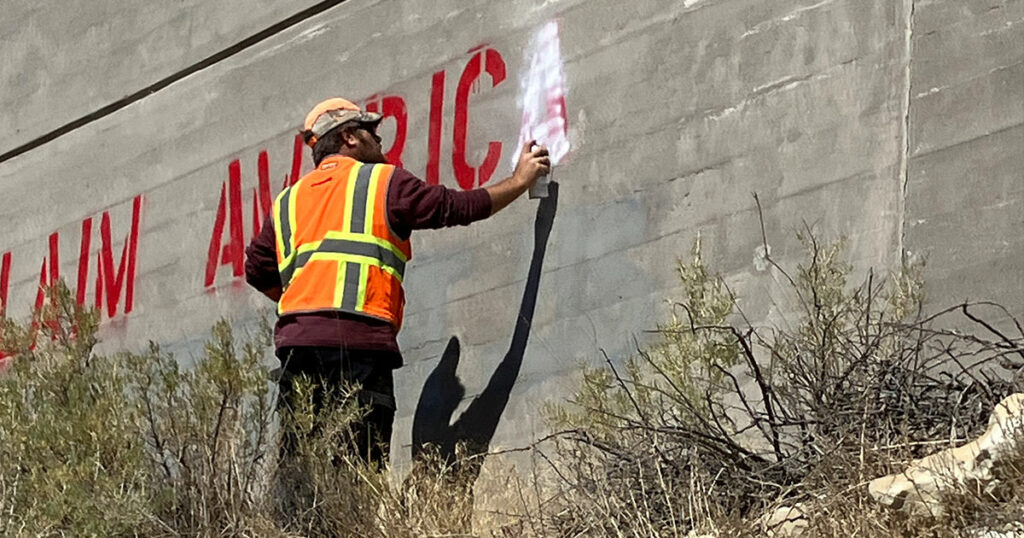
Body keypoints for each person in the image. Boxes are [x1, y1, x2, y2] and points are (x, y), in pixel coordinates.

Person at [244, 97, 549, 465]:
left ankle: (299, 524)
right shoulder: (384, 182)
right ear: (350, 138)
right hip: (360, 347)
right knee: (360, 464)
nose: (380, 140)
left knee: (301, 467)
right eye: (372, 131)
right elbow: (456, 207)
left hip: (299, 351)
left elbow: (257, 268)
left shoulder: (287, 201)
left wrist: (303, 306)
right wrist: (519, 181)